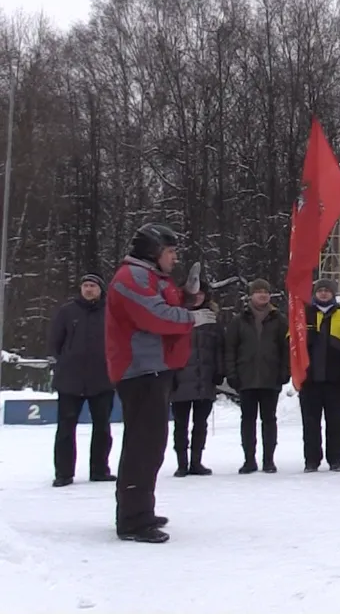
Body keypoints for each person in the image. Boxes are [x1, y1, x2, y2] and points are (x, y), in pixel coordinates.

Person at [106, 223, 213, 544]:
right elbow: (155, 316)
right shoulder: (131, 278)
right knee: (144, 445)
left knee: (151, 444)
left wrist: (190, 297)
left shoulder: (153, 278)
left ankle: (140, 509)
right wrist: (192, 317)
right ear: (153, 252)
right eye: (170, 252)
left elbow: (170, 304)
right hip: (140, 371)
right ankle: (133, 519)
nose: (175, 258)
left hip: (155, 369)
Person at [49, 273, 116, 488]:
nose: (88, 289)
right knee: (66, 428)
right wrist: (66, 361)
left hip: (102, 379)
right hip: (70, 380)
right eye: (85, 285)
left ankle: (99, 469)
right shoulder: (67, 312)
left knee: (102, 427)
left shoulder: (110, 313)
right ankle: (64, 473)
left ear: (100, 290)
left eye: (92, 286)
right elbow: (55, 343)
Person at [295, 278, 340, 473]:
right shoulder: (303, 315)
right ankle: (311, 460)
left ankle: (335, 459)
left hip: (335, 378)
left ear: (333, 294)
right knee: (310, 423)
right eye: (320, 291)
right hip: (310, 379)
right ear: (314, 293)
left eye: (327, 291)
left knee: (334, 422)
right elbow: (292, 344)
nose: (323, 294)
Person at [225, 279, 289, 474]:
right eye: (258, 292)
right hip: (246, 377)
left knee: (269, 419)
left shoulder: (279, 319)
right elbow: (230, 349)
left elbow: (286, 348)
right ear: (250, 295)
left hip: (271, 377)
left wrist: (285, 371)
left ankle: (268, 460)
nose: (262, 295)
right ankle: (249, 460)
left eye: (266, 292)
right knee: (248, 420)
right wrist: (232, 374)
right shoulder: (239, 320)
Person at [170, 282, 224, 477]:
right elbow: (168, 348)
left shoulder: (212, 319)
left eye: (201, 294)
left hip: (205, 379)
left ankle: (196, 461)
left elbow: (219, 348)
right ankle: (182, 463)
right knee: (180, 424)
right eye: (194, 293)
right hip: (180, 379)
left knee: (200, 424)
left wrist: (220, 371)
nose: (198, 297)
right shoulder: (175, 316)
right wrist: (171, 374)